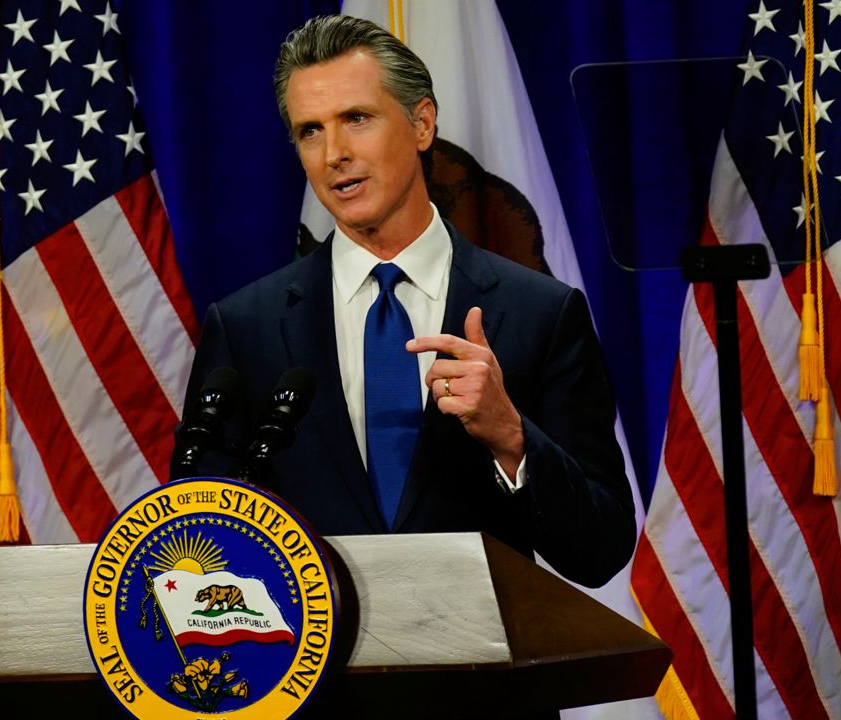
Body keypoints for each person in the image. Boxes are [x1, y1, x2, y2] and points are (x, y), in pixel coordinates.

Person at [183, 15, 633, 588]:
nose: (334, 154)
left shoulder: (539, 314)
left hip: (481, 668)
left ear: (422, 124)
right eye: (310, 131)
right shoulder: (247, 325)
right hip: (319, 671)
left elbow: (602, 549)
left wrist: (510, 435)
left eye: (356, 119)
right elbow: (203, 538)